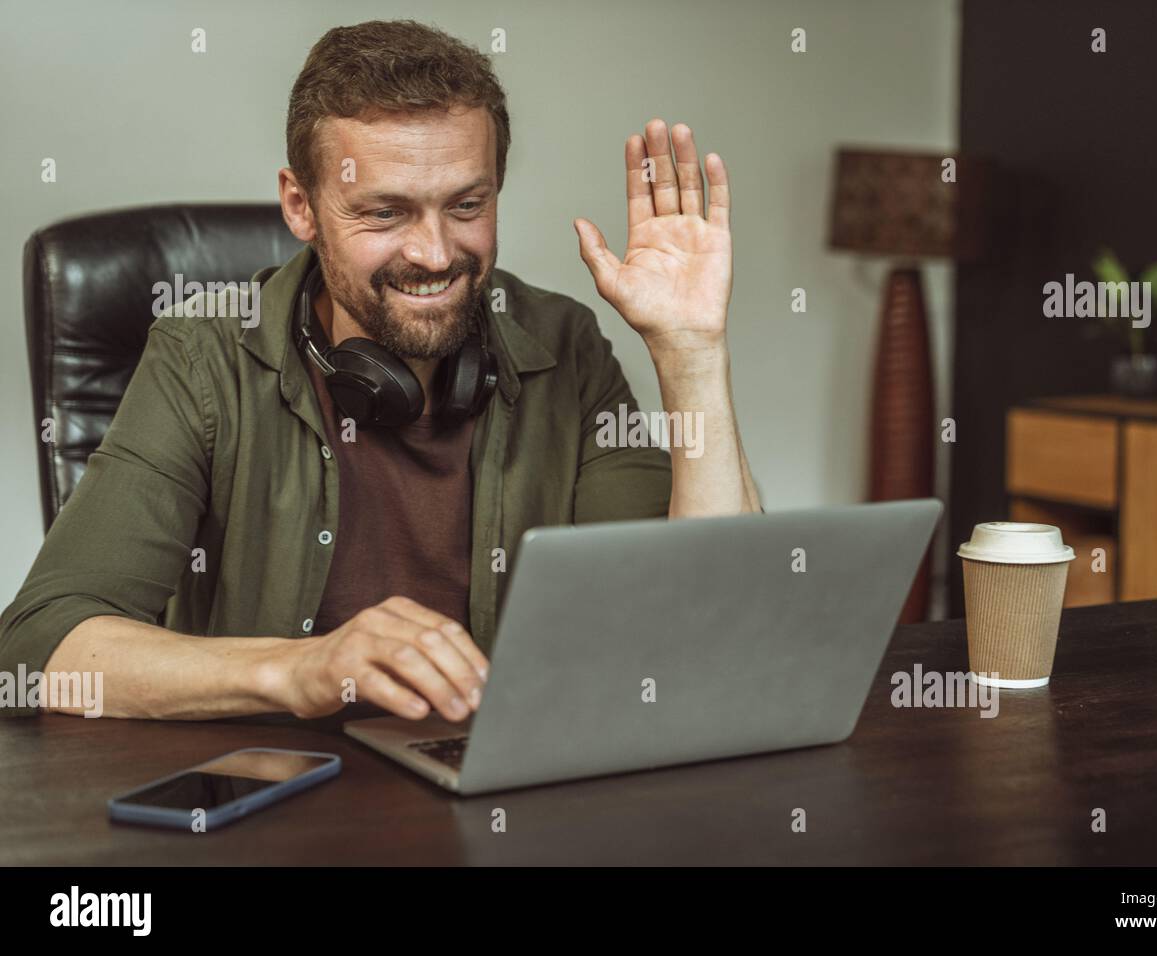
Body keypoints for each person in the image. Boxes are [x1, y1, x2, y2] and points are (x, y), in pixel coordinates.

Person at [0, 19, 759, 722]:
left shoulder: (562, 342)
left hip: (497, 798)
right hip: (277, 808)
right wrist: (297, 671)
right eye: (385, 213)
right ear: (301, 206)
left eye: (466, 204)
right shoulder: (205, 355)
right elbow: (39, 648)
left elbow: (703, 628)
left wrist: (691, 353)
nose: (434, 254)